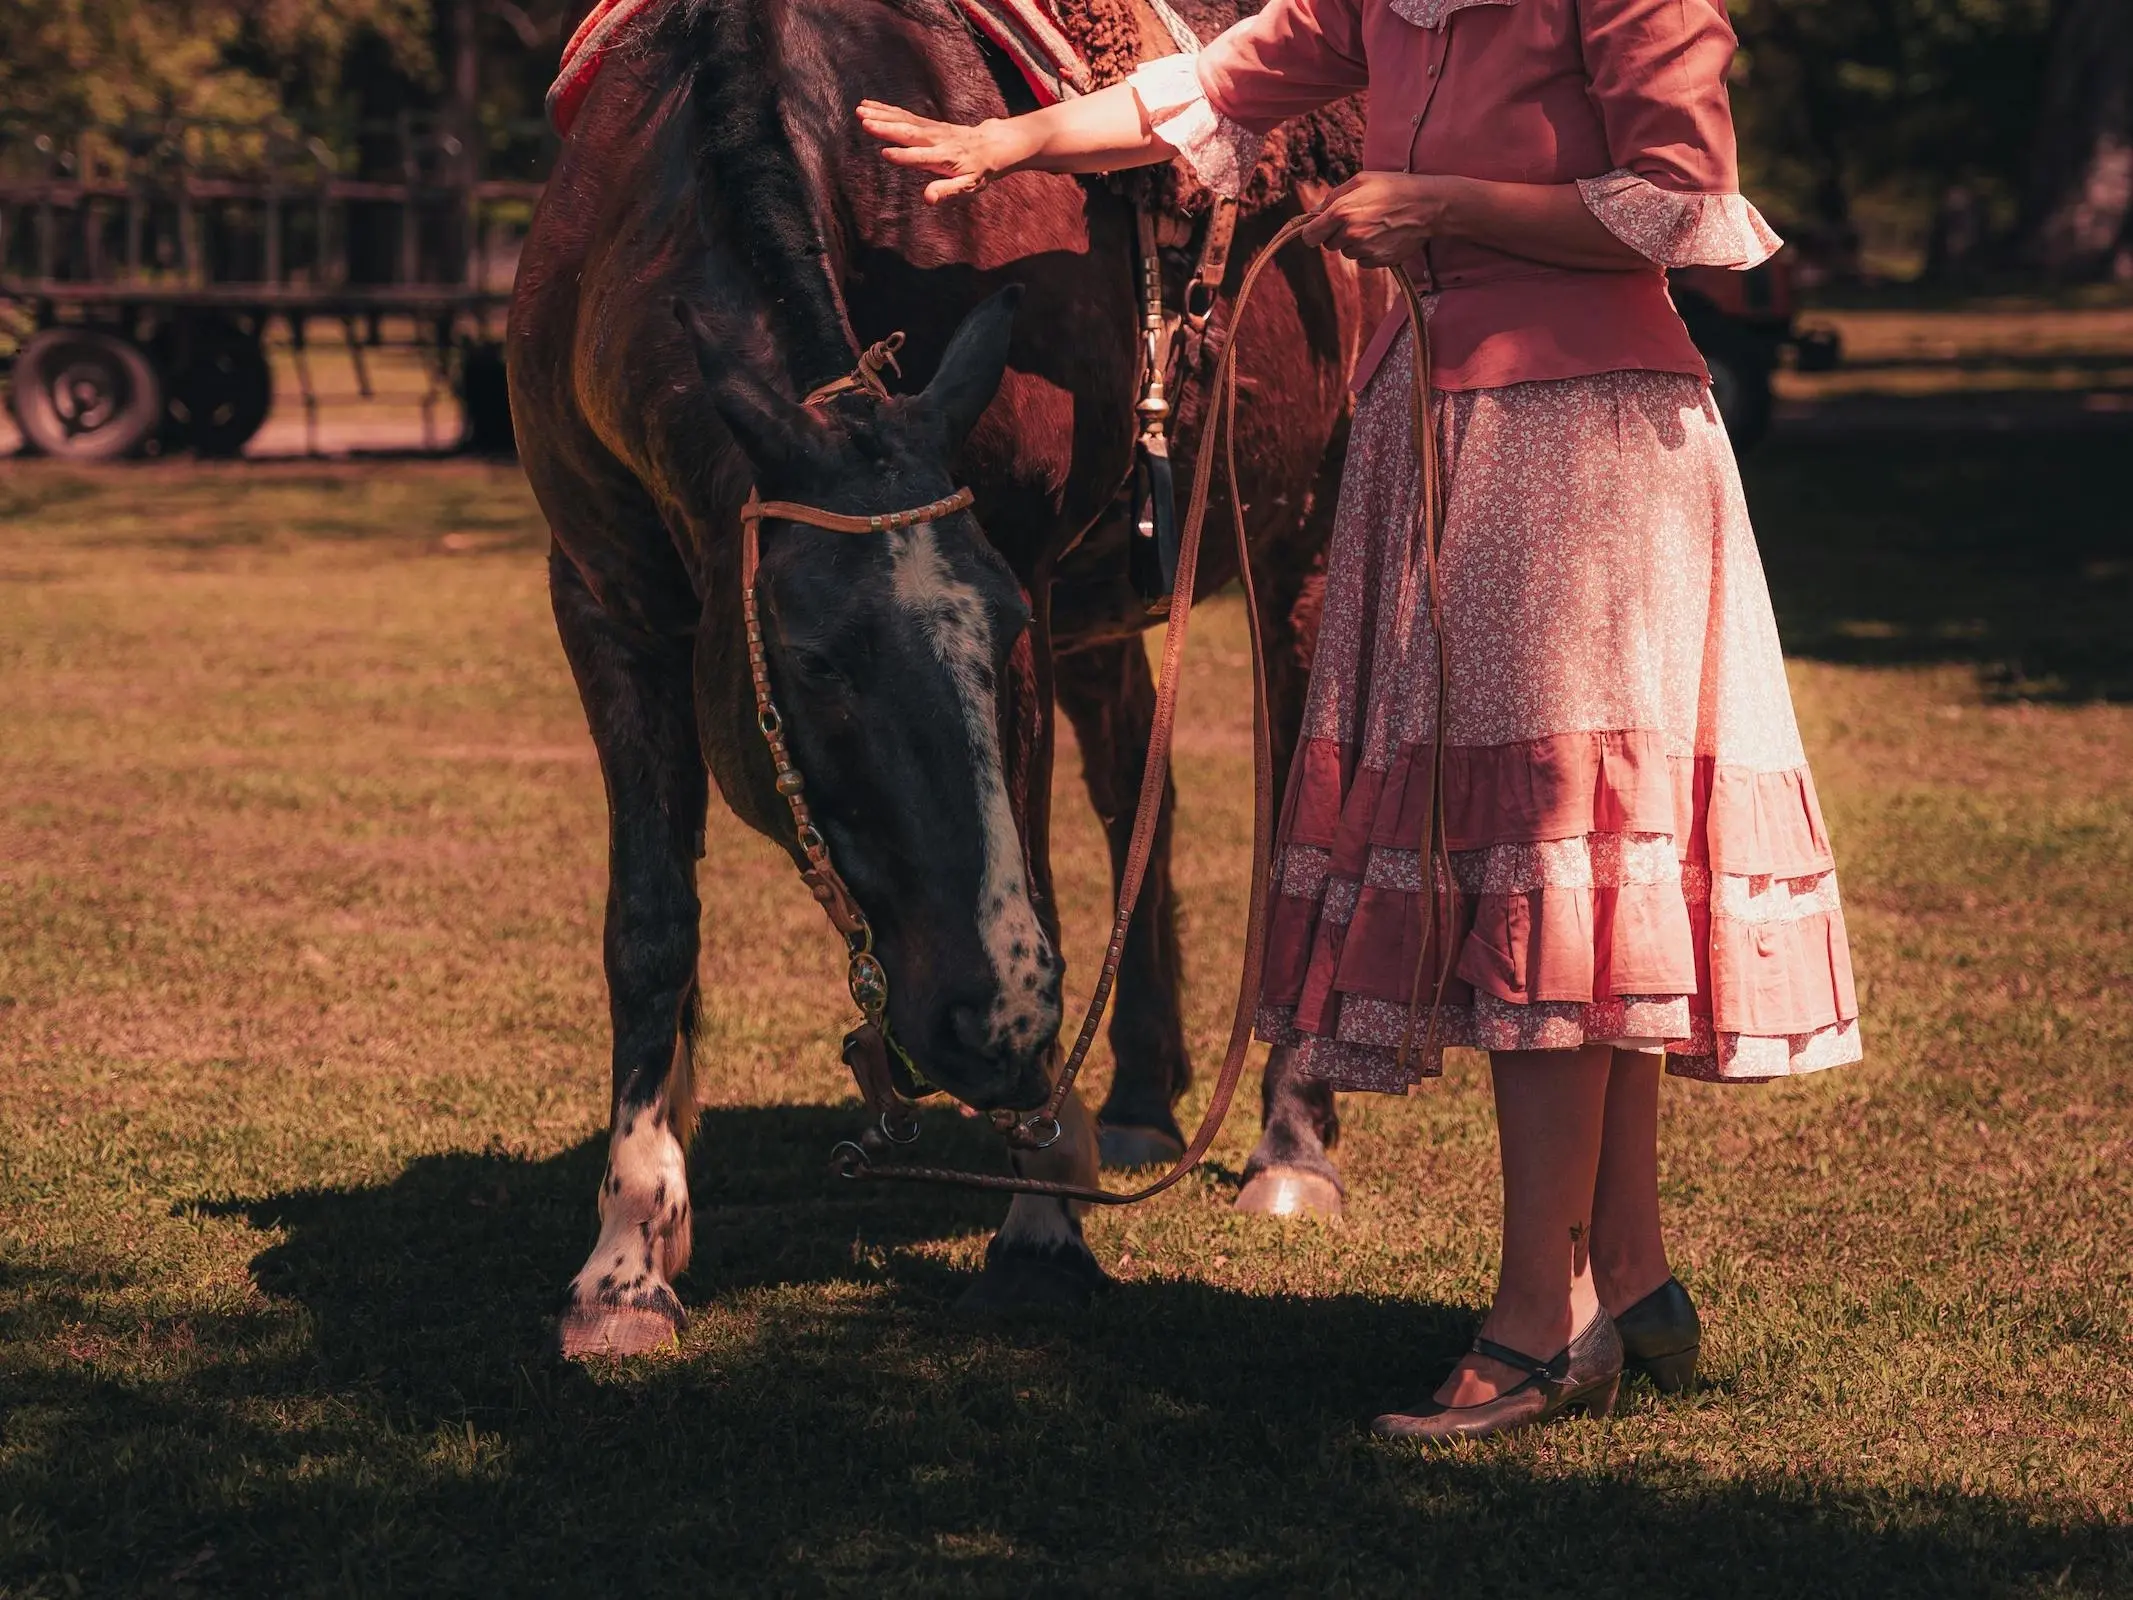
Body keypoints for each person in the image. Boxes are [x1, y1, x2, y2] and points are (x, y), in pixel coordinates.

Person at [858, 0, 1860, 1442]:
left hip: (1579, 443)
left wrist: (1445, 206)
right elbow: (1194, 90)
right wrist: (1003, 136)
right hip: (1448, 429)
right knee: (1566, 863)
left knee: (1553, 867)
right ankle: (1631, 1274)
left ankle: (1540, 1326)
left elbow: (1679, 208)